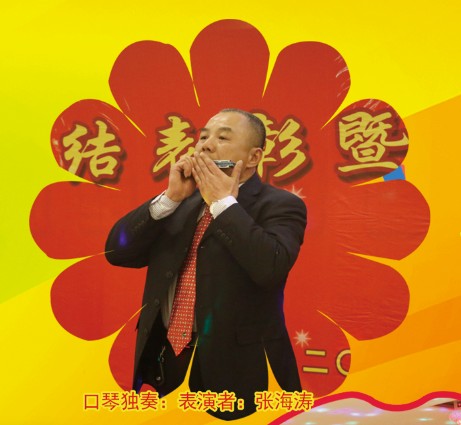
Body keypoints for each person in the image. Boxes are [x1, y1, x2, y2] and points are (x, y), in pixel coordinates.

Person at [105, 108, 307, 420]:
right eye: (203, 137)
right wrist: (170, 198)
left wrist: (223, 204)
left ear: (253, 157)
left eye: (223, 138)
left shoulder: (280, 205)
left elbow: (270, 266)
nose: (206, 145)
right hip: (165, 360)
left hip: (236, 369)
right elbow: (118, 253)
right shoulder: (181, 201)